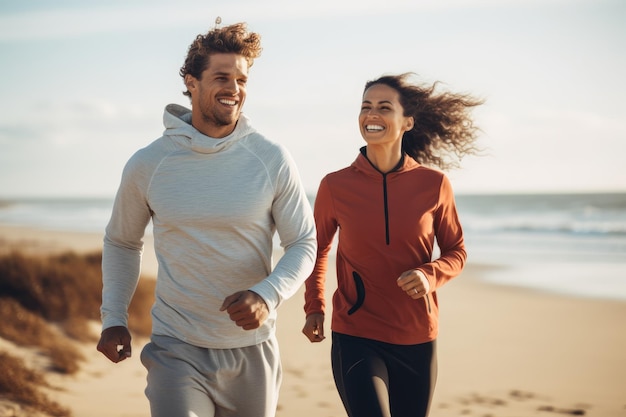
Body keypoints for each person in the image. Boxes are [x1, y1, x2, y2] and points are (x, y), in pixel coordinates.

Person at [96, 21, 316, 417]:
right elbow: (122, 242)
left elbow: (303, 241)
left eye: (241, 79)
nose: (234, 88)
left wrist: (268, 295)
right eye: (221, 77)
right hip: (175, 347)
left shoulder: (270, 158)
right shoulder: (149, 163)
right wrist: (113, 316)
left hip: (252, 352)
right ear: (191, 81)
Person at [302, 73, 483, 417]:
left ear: (407, 122)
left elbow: (456, 252)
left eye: (384, 107)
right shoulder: (335, 186)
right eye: (365, 106)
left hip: (417, 336)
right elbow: (317, 249)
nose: (372, 114)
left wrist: (430, 274)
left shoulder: (434, 184)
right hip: (356, 333)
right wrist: (315, 306)